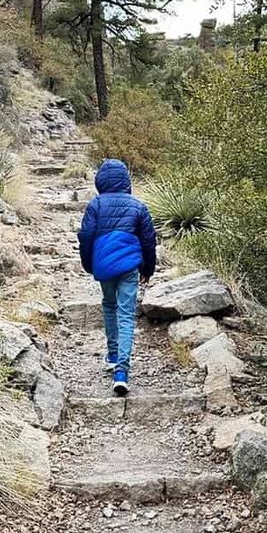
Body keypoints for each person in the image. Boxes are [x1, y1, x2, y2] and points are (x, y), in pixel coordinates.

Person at [77, 158, 157, 397]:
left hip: (103, 265)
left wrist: (89, 264)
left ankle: (113, 355)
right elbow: (149, 241)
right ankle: (121, 372)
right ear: (126, 181)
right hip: (130, 266)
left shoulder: (95, 205)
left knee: (109, 306)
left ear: (100, 181)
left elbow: (86, 237)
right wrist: (148, 269)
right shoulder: (138, 206)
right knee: (126, 314)